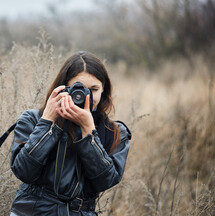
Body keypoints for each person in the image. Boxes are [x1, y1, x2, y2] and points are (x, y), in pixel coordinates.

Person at [9, 51, 131, 215]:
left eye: (94, 89)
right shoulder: (33, 119)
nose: (85, 96)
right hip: (32, 210)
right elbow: (23, 171)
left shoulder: (115, 132)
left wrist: (89, 132)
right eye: (78, 89)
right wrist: (47, 122)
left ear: (104, 91)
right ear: (62, 87)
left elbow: (106, 181)